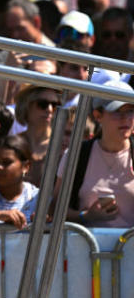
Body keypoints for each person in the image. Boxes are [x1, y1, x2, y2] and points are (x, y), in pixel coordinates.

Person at [54, 80, 134, 228]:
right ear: (98, 115)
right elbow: (55, 208)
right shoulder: (75, 155)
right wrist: (86, 216)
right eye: (117, 111)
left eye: (130, 110)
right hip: (83, 248)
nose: (126, 118)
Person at [14, 85, 63, 186]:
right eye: (42, 104)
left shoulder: (61, 146)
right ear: (26, 106)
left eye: (54, 105)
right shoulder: (13, 143)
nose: (49, 109)